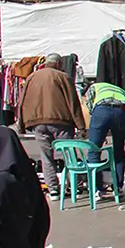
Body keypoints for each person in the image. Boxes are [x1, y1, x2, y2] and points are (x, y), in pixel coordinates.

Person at [17, 53, 86, 197]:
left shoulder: (32, 77)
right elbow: (73, 102)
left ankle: (53, 189)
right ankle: (75, 185)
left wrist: (21, 124)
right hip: (61, 121)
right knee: (69, 154)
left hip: (38, 122)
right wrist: (80, 126)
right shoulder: (63, 77)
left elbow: (22, 101)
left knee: (46, 156)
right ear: (58, 63)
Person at [84, 80, 125, 197]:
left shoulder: (94, 86)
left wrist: (98, 126)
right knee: (119, 150)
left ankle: (97, 188)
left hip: (101, 110)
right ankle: (117, 187)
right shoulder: (120, 90)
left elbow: (89, 104)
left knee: (94, 150)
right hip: (121, 111)